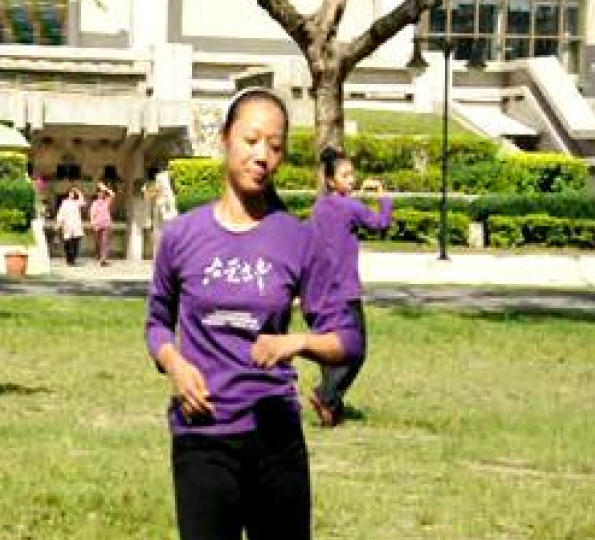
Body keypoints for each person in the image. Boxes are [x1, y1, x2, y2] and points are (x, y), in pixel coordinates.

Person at [145, 87, 361, 540]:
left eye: (275, 146)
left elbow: (348, 340)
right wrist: (175, 365)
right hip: (202, 436)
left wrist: (297, 342)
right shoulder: (182, 235)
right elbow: (157, 323)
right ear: (225, 139)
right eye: (251, 140)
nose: (262, 155)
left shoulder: (298, 240)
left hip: (275, 439)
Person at [306, 147, 394, 427]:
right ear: (331, 181)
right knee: (356, 350)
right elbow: (381, 224)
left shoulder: (319, 208)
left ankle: (332, 411)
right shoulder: (349, 207)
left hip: (317, 293)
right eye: (345, 176)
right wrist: (383, 197)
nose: (351, 180)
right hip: (344, 292)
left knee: (329, 352)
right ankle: (326, 395)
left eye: (352, 175)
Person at [55, 186, 85, 265]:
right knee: (68, 243)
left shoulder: (76, 202)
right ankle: (69, 259)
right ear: (68, 194)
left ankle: (73, 259)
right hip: (67, 225)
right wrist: (58, 223)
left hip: (76, 225)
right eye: (71, 193)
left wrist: (78, 191)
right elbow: (61, 213)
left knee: (75, 244)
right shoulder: (65, 202)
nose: (72, 194)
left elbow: (82, 201)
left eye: (73, 193)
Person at [89, 181, 115, 266]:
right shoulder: (94, 203)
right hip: (97, 225)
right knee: (98, 242)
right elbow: (92, 214)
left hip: (106, 224)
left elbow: (112, 194)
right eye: (100, 192)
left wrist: (105, 188)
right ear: (97, 194)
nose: (101, 194)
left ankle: (103, 260)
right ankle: (99, 256)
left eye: (102, 193)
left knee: (105, 242)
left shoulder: (107, 201)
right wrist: (92, 224)